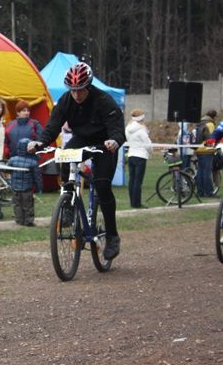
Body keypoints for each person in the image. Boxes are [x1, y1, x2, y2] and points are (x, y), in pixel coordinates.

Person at [28, 62, 125, 260]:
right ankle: (69, 205)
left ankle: (112, 236)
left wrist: (115, 140)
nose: (77, 94)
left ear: (88, 86)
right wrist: (40, 142)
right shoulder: (66, 100)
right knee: (65, 155)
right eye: (73, 90)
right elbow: (53, 125)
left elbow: (117, 127)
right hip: (82, 139)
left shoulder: (104, 100)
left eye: (80, 90)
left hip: (105, 142)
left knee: (102, 186)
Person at [8, 138, 42, 226]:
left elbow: (7, 169)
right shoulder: (33, 162)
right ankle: (28, 221)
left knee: (17, 205)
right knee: (28, 205)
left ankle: (19, 220)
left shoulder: (12, 160)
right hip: (27, 189)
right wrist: (40, 187)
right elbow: (37, 177)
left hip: (15, 188)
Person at [125, 109, 152, 209]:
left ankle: (133, 202)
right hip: (140, 156)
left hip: (131, 155)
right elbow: (148, 144)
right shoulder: (141, 130)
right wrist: (150, 152)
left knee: (132, 180)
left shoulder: (128, 128)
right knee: (138, 181)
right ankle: (137, 203)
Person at [193, 109, 217, 197]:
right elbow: (211, 138)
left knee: (200, 172)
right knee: (207, 172)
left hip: (198, 149)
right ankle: (209, 192)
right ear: (214, 117)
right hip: (206, 150)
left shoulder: (200, 123)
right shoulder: (210, 124)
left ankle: (200, 192)